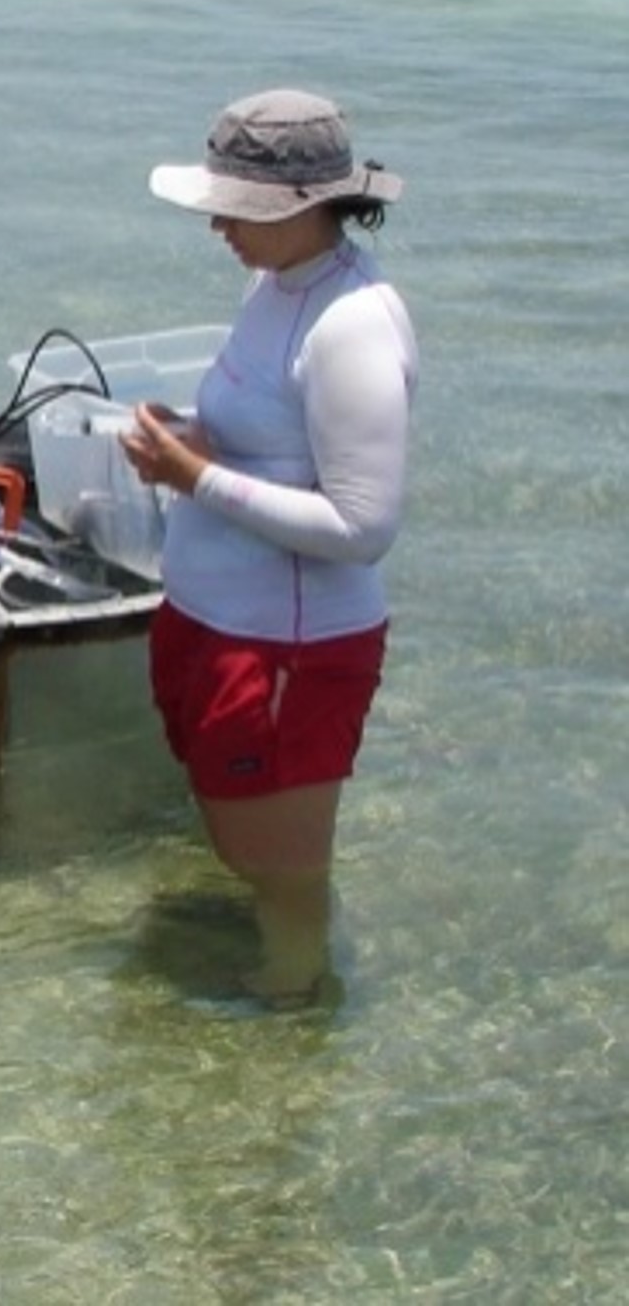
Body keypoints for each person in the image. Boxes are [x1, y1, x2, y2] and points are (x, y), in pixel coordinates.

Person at [123, 89, 413, 1005]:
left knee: (282, 876)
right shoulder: (271, 285)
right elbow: (270, 445)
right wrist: (195, 446)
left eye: (234, 208)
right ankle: (275, 983)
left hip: (289, 649)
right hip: (214, 624)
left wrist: (194, 476)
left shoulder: (352, 323)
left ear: (298, 209)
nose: (215, 224)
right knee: (235, 844)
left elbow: (362, 528)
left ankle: (292, 1012)